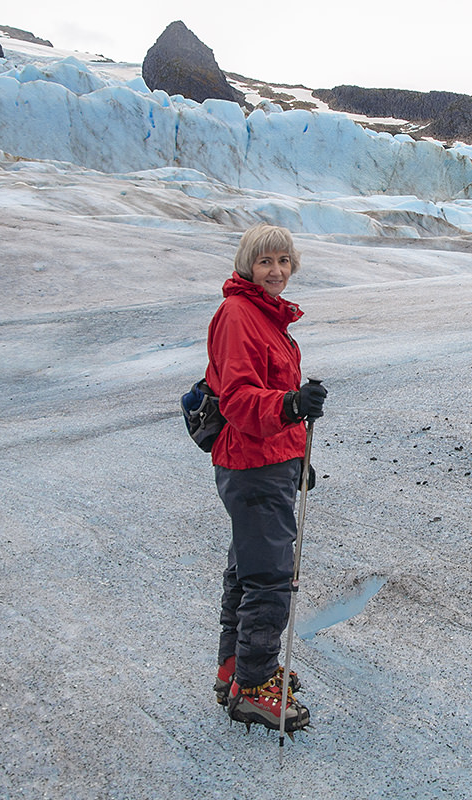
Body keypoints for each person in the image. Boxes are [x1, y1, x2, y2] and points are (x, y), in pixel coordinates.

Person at [205, 223, 327, 732]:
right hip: (251, 465)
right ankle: (253, 689)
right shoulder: (239, 315)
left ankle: (235, 669)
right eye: (265, 262)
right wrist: (292, 404)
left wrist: (297, 457)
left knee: (248, 569)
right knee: (271, 578)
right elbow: (236, 399)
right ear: (246, 266)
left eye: (283, 261)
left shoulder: (265, 315)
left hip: (268, 460)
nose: (276, 271)